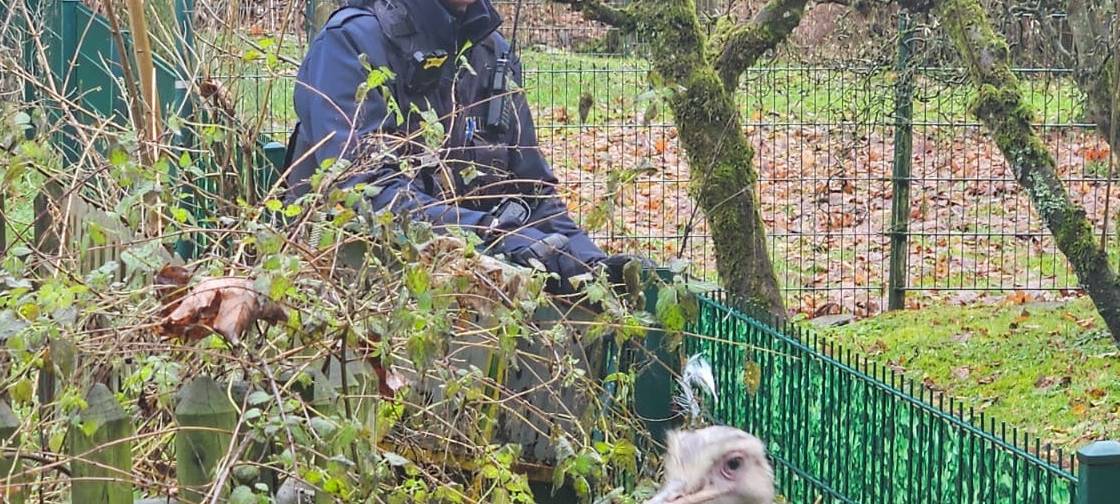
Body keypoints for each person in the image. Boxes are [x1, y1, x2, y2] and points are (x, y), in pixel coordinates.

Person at [283, 0, 649, 294]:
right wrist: (495, 236)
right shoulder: (351, 43)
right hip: (353, 296)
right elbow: (361, 193)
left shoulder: (491, 53)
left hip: (469, 303)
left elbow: (533, 192)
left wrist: (594, 267)